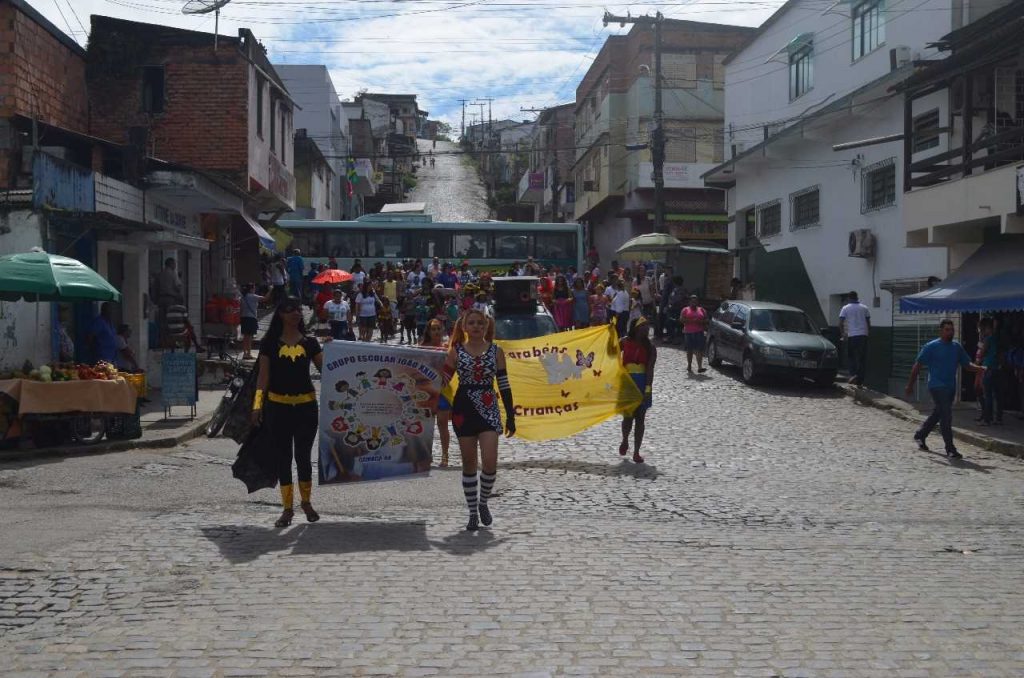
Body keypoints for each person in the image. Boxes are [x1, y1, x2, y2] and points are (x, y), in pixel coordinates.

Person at [251, 297, 324, 527]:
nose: (296, 313)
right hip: (277, 407)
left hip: (306, 407)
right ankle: (287, 508)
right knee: (283, 458)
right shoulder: (270, 343)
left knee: (303, 457)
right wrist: (257, 406)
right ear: (281, 314)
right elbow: (263, 378)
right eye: (290, 309)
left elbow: (327, 371)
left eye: (298, 309)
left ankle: (307, 502)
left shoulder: (310, 343)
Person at [441, 309, 516, 531]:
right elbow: (443, 380)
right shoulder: (455, 352)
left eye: (479, 323)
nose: (475, 326)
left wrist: (511, 415)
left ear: (486, 326)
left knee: (490, 461)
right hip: (463, 408)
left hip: (488, 406)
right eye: (471, 323)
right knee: (469, 463)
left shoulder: (496, 351)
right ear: (464, 327)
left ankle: (483, 501)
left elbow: (504, 384)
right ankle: (472, 511)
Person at [904, 319, 986, 460]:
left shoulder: (956, 347)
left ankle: (920, 435)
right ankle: (950, 449)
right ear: (941, 331)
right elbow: (917, 365)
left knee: (938, 413)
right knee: (946, 416)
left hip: (950, 387)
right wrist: (910, 385)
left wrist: (979, 369)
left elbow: (966, 364)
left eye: (952, 329)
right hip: (936, 385)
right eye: (947, 329)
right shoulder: (931, 346)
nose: (950, 332)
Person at [619, 317, 656, 464]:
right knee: (628, 416)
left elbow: (650, 369)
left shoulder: (650, 347)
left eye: (647, 327)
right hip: (627, 383)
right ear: (636, 328)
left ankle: (636, 452)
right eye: (643, 326)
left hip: (642, 383)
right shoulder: (624, 342)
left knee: (640, 418)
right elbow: (609, 352)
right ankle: (624, 440)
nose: (646, 329)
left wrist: (648, 389)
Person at [421, 318, 452, 467]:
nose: (436, 331)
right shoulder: (421, 348)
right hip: (425, 391)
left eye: (438, 328)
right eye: (433, 329)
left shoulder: (448, 347)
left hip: (443, 391)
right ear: (428, 331)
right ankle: (426, 454)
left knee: (442, 423)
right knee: (426, 424)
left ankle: (445, 455)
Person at [839, 291, 871, 386]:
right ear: (857, 297)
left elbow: (840, 323)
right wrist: (867, 333)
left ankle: (853, 374)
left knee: (851, 356)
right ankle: (860, 381)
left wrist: (843, 334)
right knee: (862, 358)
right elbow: (868, 323)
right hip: (863, 335)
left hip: (852, 335)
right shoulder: (865, 308)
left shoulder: (845, 308)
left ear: (849, 298)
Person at [977, 317, 1003, 425]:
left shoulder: (988, 339)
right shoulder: (997, 338)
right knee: (997, 394)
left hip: (988, 368)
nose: (982, 331)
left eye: (982, 329)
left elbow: (982, 353)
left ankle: (987, 419)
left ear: (987, 328)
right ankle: (998, 418)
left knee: (987, 395)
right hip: (997, 368)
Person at [680, 295, 708, 373]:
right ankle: (689, 365)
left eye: (695, 301)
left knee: (699, 349)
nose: (694, 303)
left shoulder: (702, 310)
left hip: (699, 332)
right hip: (688, 332)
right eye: (692, 301)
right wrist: (691, 320)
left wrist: (700, 322)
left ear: (697, 302)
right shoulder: (685, 310)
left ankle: (700, 367)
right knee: (689, 350)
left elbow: (706, 320)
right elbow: (681, 319)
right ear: (689, 302)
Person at [240, 283, 264, 360]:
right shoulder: (253, 296)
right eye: (254, 288)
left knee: (245, 337)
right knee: (250, 337)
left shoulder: (243, 297)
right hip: (251, 318)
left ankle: (244, 353)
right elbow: (265, 298)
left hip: (244, 318)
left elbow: (241, 308)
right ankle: (249, 353)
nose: (255, 290)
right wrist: (271, 290)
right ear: (251, 289)